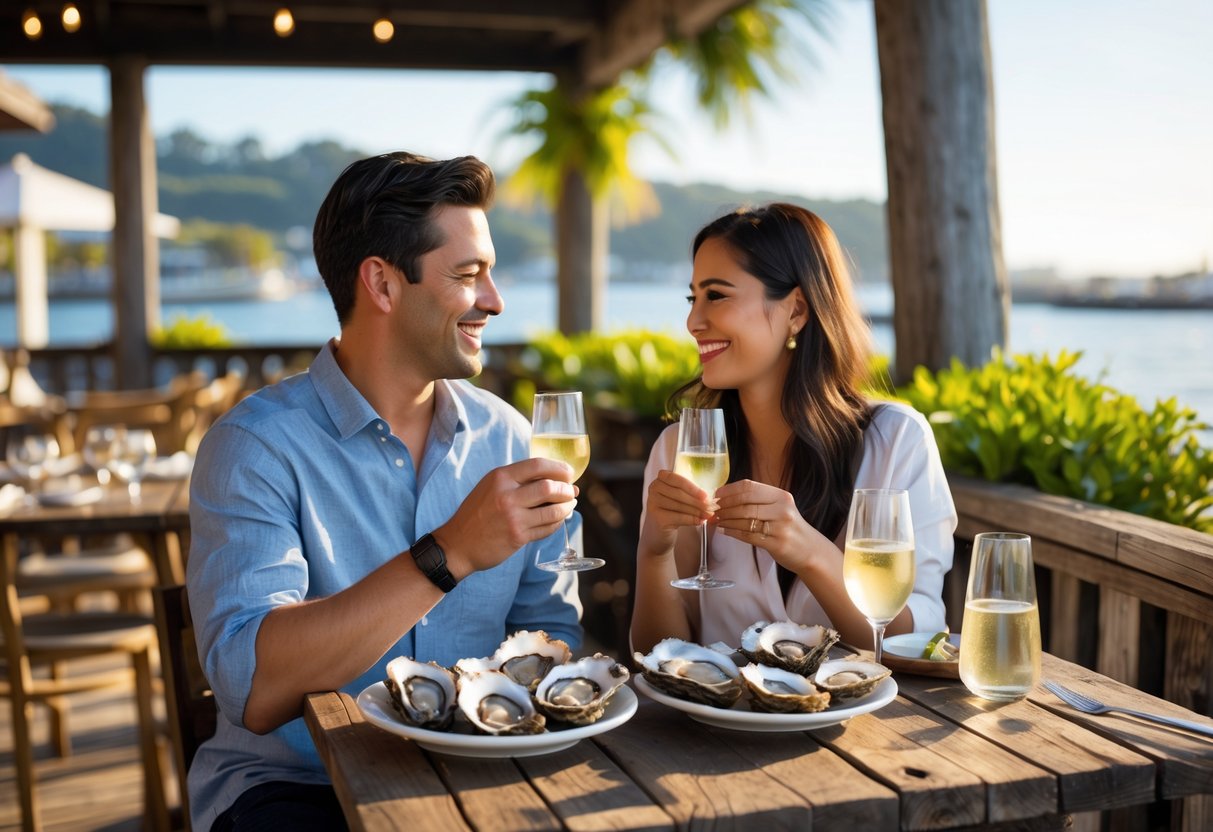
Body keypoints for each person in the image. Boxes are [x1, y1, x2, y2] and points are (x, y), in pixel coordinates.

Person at [186, 152, 583, 832]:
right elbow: (251, 687)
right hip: (300, 788)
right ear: (382, 283)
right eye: (468, 275)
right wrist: (450, 552)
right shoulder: (254, 447)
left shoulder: (511, 437)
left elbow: (554, 634)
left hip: (482, 772)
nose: (494, 299)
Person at [630, 203, 955, 653]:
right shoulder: (679, 451)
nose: (693, 321)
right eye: (693, 298)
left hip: (862, 722)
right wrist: (655, 552)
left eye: (716, 295)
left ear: (797, 311)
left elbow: (915, 638)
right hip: (719, 721)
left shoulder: (896, 442)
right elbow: (659, 652)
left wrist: (808, 552)